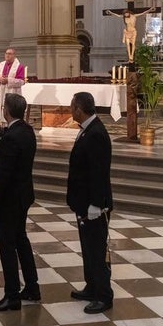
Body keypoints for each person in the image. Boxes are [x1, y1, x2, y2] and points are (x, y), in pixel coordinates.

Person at [0, 93, 39, 311]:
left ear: (6, 111)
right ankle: (32, 287)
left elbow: (4, 173)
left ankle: (12, 295)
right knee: (21, 240)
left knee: (7, 247)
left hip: (10, 199)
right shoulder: (26, 130)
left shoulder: (12, 137)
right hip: (24, 196)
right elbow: (8, 135)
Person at [67, 92, 114, 314]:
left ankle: (104, 296)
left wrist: (96, 203)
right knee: (88, 249)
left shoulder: (95, 133)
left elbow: (99, 172)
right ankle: (92, 286)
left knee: (97, 251)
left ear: (79, 109)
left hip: (94, 206)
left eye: (72, 106)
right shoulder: (88, 129)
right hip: (83, 202)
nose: (69, 110)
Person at [0, 48, 26, 126]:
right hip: (0, 94)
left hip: (12, 94)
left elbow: (21, 81)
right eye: (6, 53)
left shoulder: (19, 67)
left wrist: (8, 80)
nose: (7, 55)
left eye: (10, 54)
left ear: (14, 55)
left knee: (11, 110)